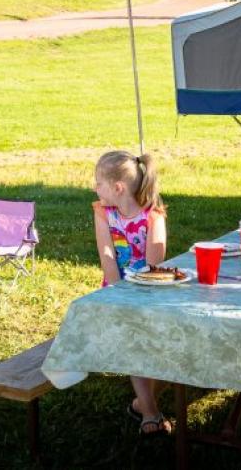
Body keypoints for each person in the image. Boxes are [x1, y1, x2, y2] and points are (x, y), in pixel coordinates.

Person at [91, 150, 171, 436]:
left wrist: (137, 296)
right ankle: (150, 412)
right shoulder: (103, 212)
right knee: (135, 345)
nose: (94, 188)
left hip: (150, 291)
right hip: (118, 290)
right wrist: (118, 293)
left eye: (98, 183)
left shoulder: (153, 216)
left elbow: (154, 263)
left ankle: (141, 402)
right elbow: (106, 254)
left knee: (160, 346)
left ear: (117, 188)